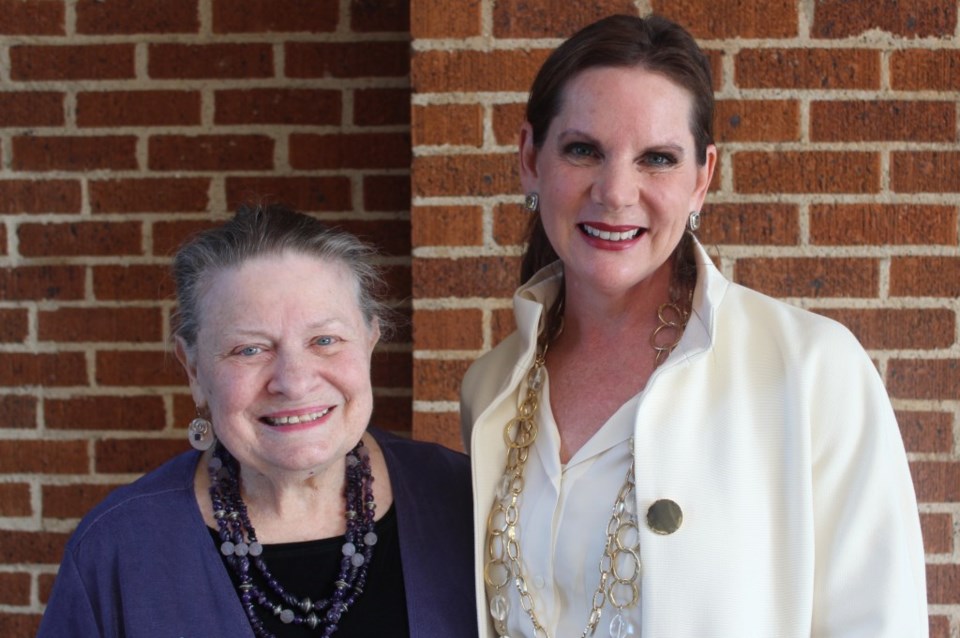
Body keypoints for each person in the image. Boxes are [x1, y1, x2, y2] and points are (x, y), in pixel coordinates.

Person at [461, 14, 927, 638]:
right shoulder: (491, 389)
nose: (616, 191)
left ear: (702, 178)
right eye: (582, 149)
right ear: (529, 158)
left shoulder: (812, 370)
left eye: (657, 158)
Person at [39, 204, 477, 638]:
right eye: (249, 349)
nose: (294, 382)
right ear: (193, 370)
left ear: (369, 343)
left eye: (325, 340)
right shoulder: (115, 550)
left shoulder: (468, 504)